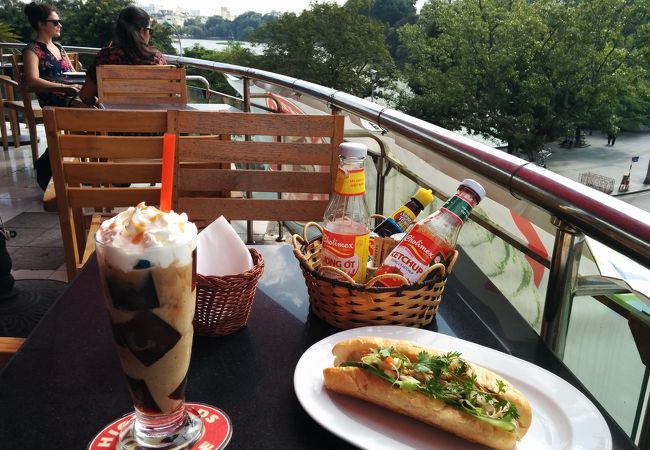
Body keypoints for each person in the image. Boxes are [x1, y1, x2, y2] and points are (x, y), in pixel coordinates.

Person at [23, 2, 83, 191]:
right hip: (54, 100)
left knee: (97, 109)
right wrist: (65, 88)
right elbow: (31, 81)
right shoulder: (32, 50)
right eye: (55, 22)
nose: (60, 25)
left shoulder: (59, 47)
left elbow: (73, 73)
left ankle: (52, 163)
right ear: (41, 24)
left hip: (69, 96)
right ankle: (53, 164)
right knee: (93, 117)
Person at [79, 6, 167, 106]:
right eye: (150, 31)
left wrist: (98, 103)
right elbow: (168, 99)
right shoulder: (156, 59)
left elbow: (85, 95)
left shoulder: (106, 56)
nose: (150, 35)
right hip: (153, 120)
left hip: (112, 120)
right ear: (142, 31)